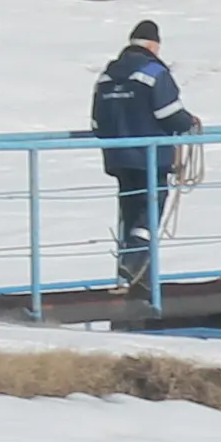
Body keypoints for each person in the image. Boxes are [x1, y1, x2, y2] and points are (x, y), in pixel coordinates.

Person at [89, 18, 198, 298]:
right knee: (149, 209)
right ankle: (134, 263)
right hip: (151, 157)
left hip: (118, 157)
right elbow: (169, 114)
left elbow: (95, 122)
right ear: (154, 45)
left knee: (129, 211)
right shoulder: (154, 72)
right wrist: (189, 123)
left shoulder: (107, 75)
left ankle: (135, 277)